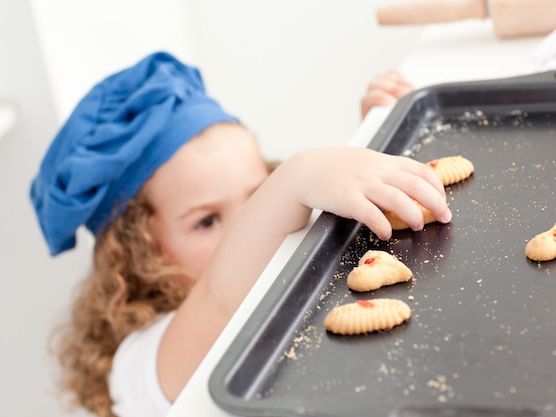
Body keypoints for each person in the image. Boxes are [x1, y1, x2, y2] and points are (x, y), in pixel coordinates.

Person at [30, 52, 449, 417]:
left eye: (257, 195)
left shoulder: (277, 266)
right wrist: (298, 175)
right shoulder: (140, 365)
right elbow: (222, 295)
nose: (249, 222)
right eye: (206, 221)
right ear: (138, 254)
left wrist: (371, 150)